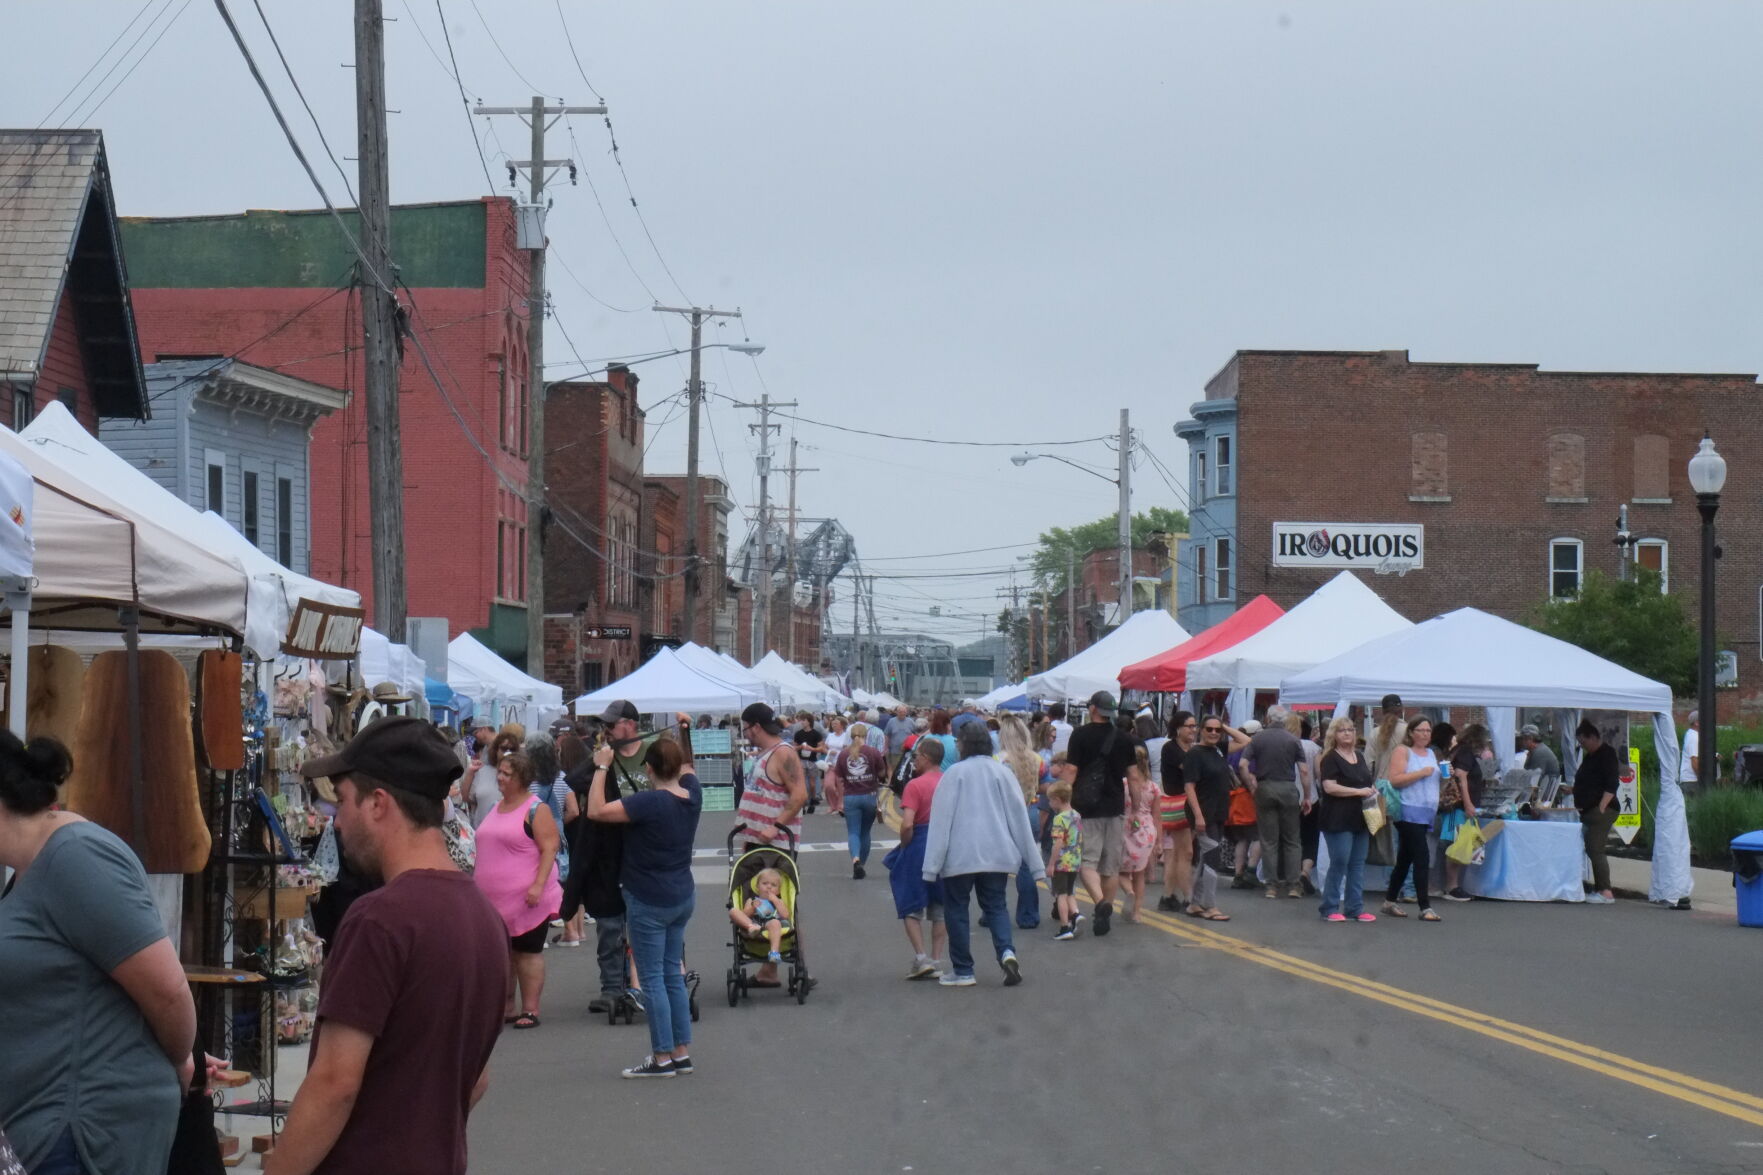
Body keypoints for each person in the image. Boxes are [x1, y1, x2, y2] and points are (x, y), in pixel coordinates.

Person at [272, 717, 507, 1175]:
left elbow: (335, 1081)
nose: (336, 821)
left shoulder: (380, 919)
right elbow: (476, 1079)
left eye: (342, 802)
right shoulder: (485, 918)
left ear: (378, 804)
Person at [0, 732, 196, 1175]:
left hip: (84, 1135)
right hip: (47, 1130)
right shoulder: (30, 868)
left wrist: (182, 1060)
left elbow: (166, 992)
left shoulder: (75, 856)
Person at [588, 713, 701, 1077]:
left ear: (649, 769)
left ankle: (662, 1056)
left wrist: (602, 768)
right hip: (681, 895)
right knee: (671, 974)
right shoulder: (692, 795)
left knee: (651, 978)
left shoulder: (650, 803)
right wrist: (684, 732)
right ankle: (680, 1051)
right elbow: (689, 766)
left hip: (648, 897)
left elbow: (595, 811)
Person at [921, 720, 1045, 987]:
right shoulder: (1002, 773)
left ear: (963, 745)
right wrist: (1035, 864)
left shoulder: (954, 774)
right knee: (996, 906)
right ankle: (1007, 952)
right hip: (997, 854)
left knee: (957, 910)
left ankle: (964, 970)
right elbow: (1018, 819)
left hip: (960, 856)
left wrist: (931, 866)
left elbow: (940, 823)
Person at [471, 752, 562, 1028]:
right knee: (504, 953)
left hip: (527, 897)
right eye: (499, 772)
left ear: (521, 778)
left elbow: (550, 847)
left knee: (527, 951)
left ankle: (530, 1008)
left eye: (507, 774)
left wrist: (537, 884)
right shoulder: (495, 807)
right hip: (493, 899)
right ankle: (507, 1005)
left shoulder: (536, 809)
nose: (500, 777)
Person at [734, 702, 808, 987]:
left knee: (777, 902)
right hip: (759, 842)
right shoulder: (767, 754)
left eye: (747, 728)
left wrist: (774, 826)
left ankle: (787, 964)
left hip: (774, 843)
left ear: (755, 726)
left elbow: (799, 795)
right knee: (760, 902)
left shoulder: (783, 753)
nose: (746, 734)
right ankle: (770, 969)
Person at [1065, 690, 1139, 935]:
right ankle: (1102, 915)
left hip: (1087, 808)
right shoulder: (1124, 738)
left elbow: (1072, 771)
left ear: (1093, 708)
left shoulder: (1080, 735)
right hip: (1115, 806)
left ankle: (1100, 903)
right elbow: (1134, 776)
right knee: (1110, 866)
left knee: (1087, 862)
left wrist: (1063, 798)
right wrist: (1136, 807)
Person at [886, 738, 949, 979]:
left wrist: (905, 845)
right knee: (940, 903)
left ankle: (921, 956)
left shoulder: (915, 785)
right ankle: (935, 957)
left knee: (910, 899)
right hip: (943, 842)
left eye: (916, 757)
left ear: (925, 757)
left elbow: (907, 823)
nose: (914, 761)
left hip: (920, 841)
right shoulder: (948, 782)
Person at [1316, 717, 1378, 923]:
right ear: (1334, 734)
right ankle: (1330, 906)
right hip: (1337, 818)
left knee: (1357, 864)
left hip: (1360, 817)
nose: (1347, 733)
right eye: (1342, 730)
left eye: (1350, 730)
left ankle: (1355, 907)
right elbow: (1329, 787)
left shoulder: (1359, 757)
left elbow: (1366, 781)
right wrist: (1357, 791)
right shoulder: (1330, 758)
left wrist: (1371, 791)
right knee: (1340, 861)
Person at [1381, 717, 1443, 922]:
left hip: (1426, 812)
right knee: (1422, 856)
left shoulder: (1432, 753)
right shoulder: (1402, 751)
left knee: (1405, 858)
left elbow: (1433, 780)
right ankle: (1425, 906)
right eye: (1421, 730)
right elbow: (1396, 779)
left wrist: (1445, 775)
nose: (1425, 734)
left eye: (1428, 730)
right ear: (1411, 733)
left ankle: (1390, 900)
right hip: (1408, 810)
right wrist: (1421, 773)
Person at [1245, 705, 1308, 900]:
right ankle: (1293, 885)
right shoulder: (1293, 740)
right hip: (1288, 789)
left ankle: (1271, 886)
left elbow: (1242, 764)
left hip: (1265, 787)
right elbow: (1304, 771)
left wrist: (1251, 782)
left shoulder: (1257, 739)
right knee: (1292, 840)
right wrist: (1307, 796)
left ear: (1267, 718)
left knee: (1269, 840)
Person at [1182, 716, 1234, 921]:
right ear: (1200, 730)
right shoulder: (1195, 754)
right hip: (1203, 812)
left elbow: (1247, 741)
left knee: (1206, 858)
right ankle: (1210, 905)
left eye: (1217, 730)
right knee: (1212, 857)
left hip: (1218, 811)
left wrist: (1226, 728)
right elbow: (1189, 786)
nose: (1214, 733)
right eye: (1209, 729)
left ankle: (1194, 903)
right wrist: (1198, 815)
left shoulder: (1218, 749)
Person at [996, 713, 1044, 929]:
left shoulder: (999, 760)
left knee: (996, 866)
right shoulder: (1036, 758)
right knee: (1027, 865)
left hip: (1005, 814)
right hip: (1031, 809)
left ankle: (993, 912)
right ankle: (1028, 914)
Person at [827, 725, 887, 878]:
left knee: (853, 831)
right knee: (865, 832)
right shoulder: (873, 752)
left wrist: (840, 800)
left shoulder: (843, 754)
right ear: (865, 735)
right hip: (869, 795)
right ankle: (862, 864)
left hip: (851, 796)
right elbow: (882, 773)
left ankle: (855, 859)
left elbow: (840, 778)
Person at [1572, 719, 1620, 905]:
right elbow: (1589, 781)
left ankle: (1605, 890)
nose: (1583, 746)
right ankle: (1601, 888)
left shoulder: (1606, 754)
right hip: (1588, 808)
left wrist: (1601, 807)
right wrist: (1574, 789)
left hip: (1601, 810)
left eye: (1583, 742)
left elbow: (1612, 783)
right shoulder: (1591, 756)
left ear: (1593, 737)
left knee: (1595, 848)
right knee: (1592, 847)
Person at [1440, 724, 1489, 902]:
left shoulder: (1457, 750)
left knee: (1459, 843)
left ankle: (1451, 885)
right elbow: (1461, 776)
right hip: (1459, 807)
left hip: (1458, 806)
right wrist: (1468, 803)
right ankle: (1451, 886)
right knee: (1457, 844)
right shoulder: (1466, 753)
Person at [1155, 710, 1197, 913]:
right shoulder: (1170, 748)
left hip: (1187, 803)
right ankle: (1189, 898)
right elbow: (1190, 769)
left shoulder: (1190, 748)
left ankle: (1167, 895)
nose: (1194, 730)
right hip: (1177, 804)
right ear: (1178, 728)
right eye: (1190, 726)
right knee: (1186, 852)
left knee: (1174, 853)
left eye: (1195, 726)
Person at [1120, 748, 1158, 922]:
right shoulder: (1153, 787)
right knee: (1139, 873)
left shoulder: (1123, 784)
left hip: (1125, 827)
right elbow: (1157, 816)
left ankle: (1129, 892)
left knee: (1118, 869)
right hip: (1146, 830)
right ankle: (1136, 912)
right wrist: (1158, 842)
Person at [730, 868, 793, 962]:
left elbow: (785, 915)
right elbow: (745, 915)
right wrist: (752, 908)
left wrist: (775, 901)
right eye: (765, 883)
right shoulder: (751, 900)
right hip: (755, 923)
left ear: (778, 891)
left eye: (773, 885)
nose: (769, 887)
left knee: (775, 923)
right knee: (733, 911)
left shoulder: (778, 901)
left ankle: (774, 953)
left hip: (771, 923)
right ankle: (752, 927)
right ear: (757, 886)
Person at [1047, 781, 1083, 939]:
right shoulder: (1076, 815)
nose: (1049, 803)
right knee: (1070, 891)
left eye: (1050, 800)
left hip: (1062, 861)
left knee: (1060, 894)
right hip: (1075, 859)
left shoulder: (1059, 819)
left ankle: (1064, 927)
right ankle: (1075, 914)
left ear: (1057, 799)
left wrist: (1051, 863)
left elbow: (1058, 843)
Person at [1298, 717, 1324, 896]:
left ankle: (1289, 876)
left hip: (1290, 797)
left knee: (1292, 839)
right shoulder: (1314, 748)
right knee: (1311, 838)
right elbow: (1319, 774)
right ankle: (1305, 871)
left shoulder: (1286, 744)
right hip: (1311, 799)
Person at [885, 704, 917, 774]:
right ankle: (893, 783)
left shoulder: (910, 721)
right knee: (894, 768)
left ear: (906, 712)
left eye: (904, 712)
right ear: (896, 712)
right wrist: (886, 748)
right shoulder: (891, 721)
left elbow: (916, 734)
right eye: (900, 712)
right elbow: (887, 735)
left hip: (907, 752)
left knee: (905, 769)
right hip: (894, 751)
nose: (902, 713)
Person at [1678, 711, 1701, 795]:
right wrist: (1702, 778)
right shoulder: (1694, 737)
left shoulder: (1691, 735)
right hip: (1691, 782)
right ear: (1696, 723)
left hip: (1691, 781)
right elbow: (1694, 760)